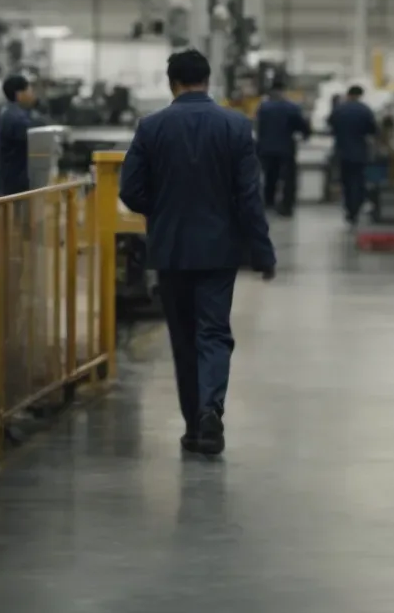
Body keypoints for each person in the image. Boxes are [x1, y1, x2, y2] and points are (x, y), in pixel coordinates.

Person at [120, 49, 276, 457]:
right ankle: (211, 413)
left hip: (170, 249)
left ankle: (194, 424)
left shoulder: (151, 127)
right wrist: (262, 252)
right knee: (213, 332)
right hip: (219, 249)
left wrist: (163, 210)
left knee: (183, 337)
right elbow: (248, 198)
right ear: (208, 80)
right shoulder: (236, 126)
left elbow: (129, 191)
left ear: (171, 82)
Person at [253, 84, 310, 217]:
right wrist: (305, 135)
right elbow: (302, 126)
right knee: (288, 179)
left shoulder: (263, 107)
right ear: (283, 92)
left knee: (269, 177)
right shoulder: (292, 107)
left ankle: (269, 203)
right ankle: (286, 207)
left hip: (266, 149)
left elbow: (258, 127)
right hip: (286, 149)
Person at [326, 85, 379, 227]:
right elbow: (373, 130)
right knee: (359, 181)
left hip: (342, 151)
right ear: (360, 95)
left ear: (348, 94)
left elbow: (330, 125)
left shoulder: (339, 109)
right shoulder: (365, 110)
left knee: (346, 182)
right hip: (360, 152)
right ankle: (356, 208)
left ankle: (349, 211)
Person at [0, 75, 39, 195]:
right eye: (29, 90)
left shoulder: (8, 112)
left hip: (11, 180)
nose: (32, 94)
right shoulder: (16, 118)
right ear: (19, 94)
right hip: (17, 184)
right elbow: (35, 138)